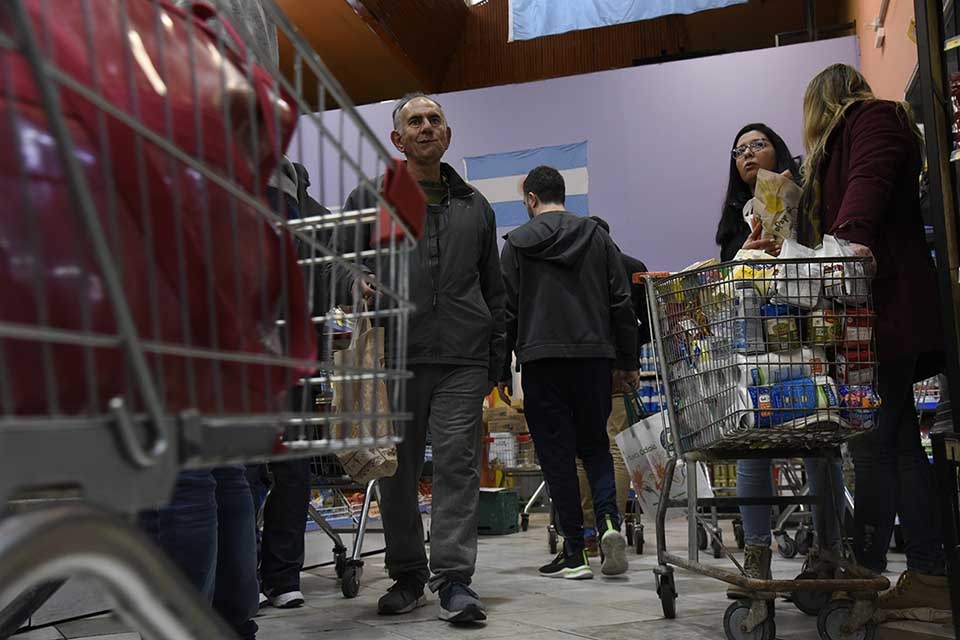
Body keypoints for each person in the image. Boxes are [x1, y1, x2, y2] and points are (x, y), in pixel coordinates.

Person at [755, 63, 947, 612]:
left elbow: (868, 188)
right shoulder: (851, 136)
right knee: (898, 440)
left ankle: (865, 572)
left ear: (821, 104)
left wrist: (850, 243)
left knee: (872, 443)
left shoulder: (873, 118)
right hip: (871, 309)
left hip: (881, 306)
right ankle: (927, 570)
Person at [338, 93, 505, 624]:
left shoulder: (476, 205)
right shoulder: (372, 197)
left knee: (456, 464)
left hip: (462, 354)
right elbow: (340, 264)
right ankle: (408, 575)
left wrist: (496, 363)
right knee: (397, 470)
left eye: (435, 119)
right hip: (395, 354)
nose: (427, 126)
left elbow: (495, 291)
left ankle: (454, 579)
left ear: (447, 136)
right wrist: (357, 281)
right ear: (398, 140)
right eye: (416, 121)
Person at [722, 123, 844, 599]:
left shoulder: (811, 204)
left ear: (780, 151)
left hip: (809, 342)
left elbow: (827, 268)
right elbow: (728, 288)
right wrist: (744, 257)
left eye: (758, 144)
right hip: (759, 350)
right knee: (754, 447)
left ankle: (828, 551)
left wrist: (788, 249)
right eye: (739, 150)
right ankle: (757, 552)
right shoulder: (737, 217)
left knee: (821, 443)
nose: (747, 154)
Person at [499, 166, 638, 579]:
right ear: (564, 194)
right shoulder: (598, 238)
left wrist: (500, 372)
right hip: (594, 359)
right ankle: (610, 522)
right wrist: (627, 363)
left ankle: (575, 552)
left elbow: (506, 312)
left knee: (557, 457)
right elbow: (621, 303)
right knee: (595, 445)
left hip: (541, 362)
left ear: (530, 200)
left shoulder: (517, 245)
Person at [577, 216, 649, 556]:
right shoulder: (633, 266)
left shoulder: (576, 267)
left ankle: (588, 530)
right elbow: (646, 323)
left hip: (582, 364)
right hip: (619, 368)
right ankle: (613, 525)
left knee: (583, 450)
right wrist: (631, 357)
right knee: (615, 447)